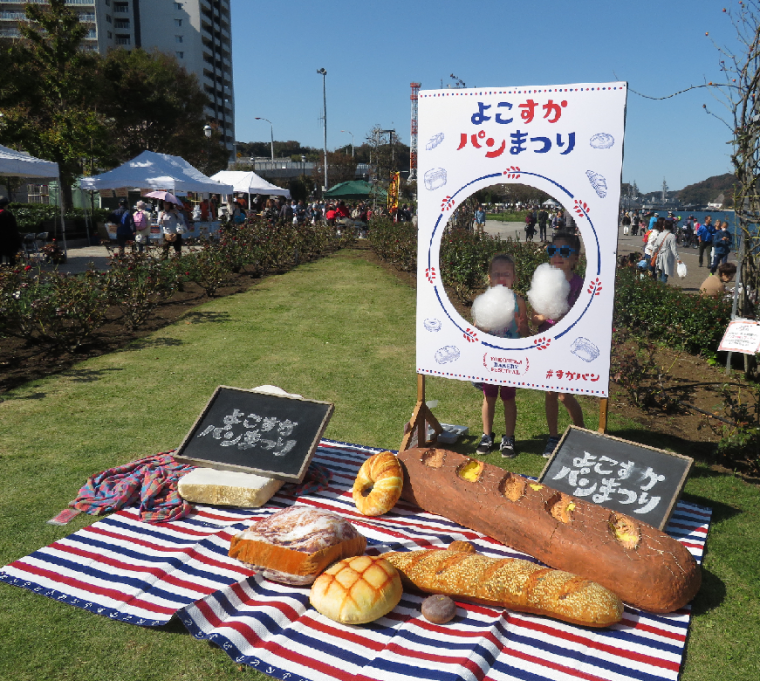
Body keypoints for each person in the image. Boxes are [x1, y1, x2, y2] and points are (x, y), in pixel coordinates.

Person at [532, 231, 586, 457]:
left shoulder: (580, 284)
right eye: (553, 251)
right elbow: (537, 310)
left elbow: (578, 314)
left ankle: (581, 432)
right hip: (547, 342)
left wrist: (551, 317)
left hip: (568, 344)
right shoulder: (544, 280)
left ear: (576, 258)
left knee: (564, 393)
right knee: (550, 393)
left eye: (564, 252)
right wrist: (537, 318)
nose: (558, 256)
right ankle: (553, 437)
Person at [473, 254, 529, 458]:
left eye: (506, 274)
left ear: (514, 277)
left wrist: (523, 326)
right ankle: (487, 435)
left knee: (508, 398)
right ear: (489, 277)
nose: (502, 278)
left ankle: (509, 438)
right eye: (497, 274)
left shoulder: (519, 301)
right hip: (490, 360)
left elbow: (525, 334)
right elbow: (476, 332)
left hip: (511, 361)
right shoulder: (484, 301)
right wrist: (482, 328)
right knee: (489, 396)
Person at [0, 197, 22, 266]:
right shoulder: (7, 215)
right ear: (5, 205)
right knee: (12, 255)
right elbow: (13, 229)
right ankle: (13, 270)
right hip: (7, 241)